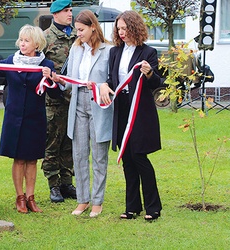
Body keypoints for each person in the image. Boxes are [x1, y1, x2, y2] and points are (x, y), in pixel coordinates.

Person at [0, 25, 61, 213]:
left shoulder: (46, 65)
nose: (22, 43)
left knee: (32, 160)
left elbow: (56, 95)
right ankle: (19, 197)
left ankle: (31, 198)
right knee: (19, 159)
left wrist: (51, 80)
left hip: (35, 119)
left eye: (27, 40)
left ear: (36, 44)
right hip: (14, 119)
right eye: (21, 40)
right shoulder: (11, 61)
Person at [99, 10, 163, 221]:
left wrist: (149, 73)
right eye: (119, 28)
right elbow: (111, 79)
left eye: (125, 28)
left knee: (139, 156)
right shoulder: (114, 52)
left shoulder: (148, 52)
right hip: (122, 106)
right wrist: (104, 87)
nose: (121, 32)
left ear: (134, 27)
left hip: (140, 110)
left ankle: (153, 207)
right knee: (127, 158)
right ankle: (132, 207)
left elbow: (156, 83)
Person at [52, 9, 113, 218]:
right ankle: (82, 200)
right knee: (79, 155)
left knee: (98, 156)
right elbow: (69, 80)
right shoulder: (76, 50)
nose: (78, 34)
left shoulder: (108, 50)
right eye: (76, 30)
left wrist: (102, 85)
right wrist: (59, 81)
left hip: (99, 106)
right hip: (78, 105)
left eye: (81, 30)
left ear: (92, 27)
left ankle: (97, 201)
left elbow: (112, 82)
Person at [41, 0, 77, 203]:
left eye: (71, 10)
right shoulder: (46, 38)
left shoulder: (77, 36)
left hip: (73, 100)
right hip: (53, 101)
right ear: (55, 14)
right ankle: (53, 185)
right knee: (52, 144)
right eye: (65, 11)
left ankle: (66, 183)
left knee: (69, 143)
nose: (70, 14)